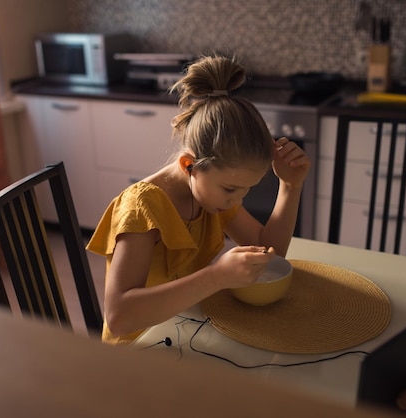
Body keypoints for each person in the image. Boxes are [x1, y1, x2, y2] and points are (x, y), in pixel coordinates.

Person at [86, 54, 311, 345]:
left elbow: (271, 254)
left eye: (247, 190)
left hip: (182, 332)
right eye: (230, 189)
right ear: (188, 165)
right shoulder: (143, 208)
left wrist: (290, 187)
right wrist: (216, 277)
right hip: (138, 353)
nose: (236, 201)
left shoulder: (212, 198)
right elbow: (118, 317)